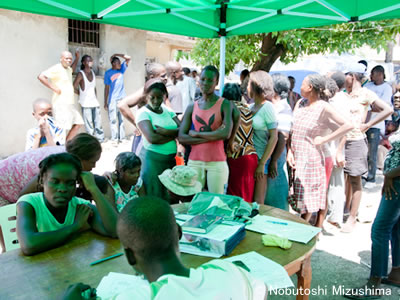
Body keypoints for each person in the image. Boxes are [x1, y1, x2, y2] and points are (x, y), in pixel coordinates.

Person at [61, 196, 267, 300]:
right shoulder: (229, 272)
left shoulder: (133, 297)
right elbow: (261, 289)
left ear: (130, 257)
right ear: (178, 234)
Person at [16, 153, 117, 256]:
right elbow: (29, 245)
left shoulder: (80, 206)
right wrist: (75, 226)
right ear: (42, 180)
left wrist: (93, 189)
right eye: (55, 182)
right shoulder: (29, 203)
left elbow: (115, 231)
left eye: (70, 183)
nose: (62, 189)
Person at [287, 74, 354, 227]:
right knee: (297, 197)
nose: (300, 87)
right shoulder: (301, 103)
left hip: (311, 159)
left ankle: (302, 229)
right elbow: (293, 130)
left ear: (310, 87)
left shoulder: (323, 107)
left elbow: (347, 126)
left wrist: (324, 139)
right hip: (297, 157)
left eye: (303, 84)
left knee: (307, 199)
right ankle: (302, 228)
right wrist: (290, 151)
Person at [345, 127, 400, 299]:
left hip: (397, 182)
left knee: (380, 229)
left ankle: (374, 283)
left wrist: (391, 175)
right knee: (395, 228)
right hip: (395, 180)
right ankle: (396, 273)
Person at [342, 64, 393, 233]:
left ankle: (352, 217)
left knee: (355, 179)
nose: (344, 78)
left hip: (356, 139)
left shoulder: (366, 93)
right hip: (342, 140)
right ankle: (345, 209)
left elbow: (387, 109)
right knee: (345, 178)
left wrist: (369, 124)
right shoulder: (344, 94)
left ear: (353, 76)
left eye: (346, 75)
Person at [179, 65, 233, 194]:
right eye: (203, 79)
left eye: (210, 80)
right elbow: (182, 137)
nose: (205, 83)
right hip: (195, 161)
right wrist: (214, 135)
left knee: (217, 202)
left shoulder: (224, 104)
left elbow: (225, 134)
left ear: (216, 82)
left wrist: (197, 134)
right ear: (198, 80)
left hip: (217, 162)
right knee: (195, 201)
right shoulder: (192, 106)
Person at [17, 133, 106, 201]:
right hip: (6, 187)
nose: (94, 166)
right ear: (80, 159)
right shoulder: (56, 163)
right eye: (92, 162)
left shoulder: (68, 158)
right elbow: (23, 196)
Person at [137, 80, 180, 200]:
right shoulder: (143, 113)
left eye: (159, 97)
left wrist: (166, 132)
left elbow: (182, 129)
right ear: (146, 96)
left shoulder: (168, 111)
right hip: (153, 163)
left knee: (170, 197)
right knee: (154, 197)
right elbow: (152, 138)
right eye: (152, 97)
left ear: (164, 96)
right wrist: (174, 134)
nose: (156, 101)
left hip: (170, 163)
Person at [118, 62, 168, 154]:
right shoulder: (145, 91)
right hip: (145, 137)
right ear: (152, 77)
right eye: (163, 76)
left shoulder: (159, 90)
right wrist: (138, 125)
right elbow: (122, 105)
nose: (166, 78)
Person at [223, 83, 258, 203]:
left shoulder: (227, 108)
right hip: (251, 154)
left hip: (236, 155)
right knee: (246, 196)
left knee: (235, 198)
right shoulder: (247, 108)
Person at [38, 50, 84, 141]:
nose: (69, 60)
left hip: (70, 104)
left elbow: (72, 69)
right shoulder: (56, 68)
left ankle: (66, 145)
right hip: (60, 103)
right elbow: (41, 76)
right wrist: (54, 88)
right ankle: (60, 148)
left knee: (78, 123)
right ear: (61, 59)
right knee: (61, 128)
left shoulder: (68, 69)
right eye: (66, 58)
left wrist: (77, 58)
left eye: (70, 59)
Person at [248, 71, 278, 204]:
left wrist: (262, 164)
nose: (247, 87)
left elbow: (274, 138)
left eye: (249, 84)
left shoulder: (268, 108)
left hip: (260, 160)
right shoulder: (249, 107)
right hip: (248, 159)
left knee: (257, 201)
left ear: (256, 86)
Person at [325, 71, 351, 228]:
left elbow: (345, 126)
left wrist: (339, 151)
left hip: (334, 145)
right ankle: (332, 215)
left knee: (334, 181)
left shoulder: (337, 101)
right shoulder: (340, 99)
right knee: (335, 181)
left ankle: (334, 216)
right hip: (332, 145)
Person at [265, 74, 293, 210]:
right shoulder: (272, 106)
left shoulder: (283, 108)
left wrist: (274, 161)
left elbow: (283, 137)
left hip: (275, 158)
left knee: (276, 198)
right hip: (270, 156)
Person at [364, 65, 393, 188]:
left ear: (380, 74)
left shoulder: (386, 88)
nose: (371, 76)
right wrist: (372, 107)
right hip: (363, 122)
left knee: (372, 152)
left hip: (376, 124)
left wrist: (370, 107)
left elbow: (382, 108)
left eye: (373, 74)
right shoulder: (367, 86)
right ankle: (363, 173)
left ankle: (371, 177)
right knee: (363, 151)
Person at [73, 55, 104, 142]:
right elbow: (73, 87)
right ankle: (91, 141)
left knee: (98, 123)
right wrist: (80, 93)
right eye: (88, 61)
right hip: (85, 103)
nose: (90, 62)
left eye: (91, 60)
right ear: (83, 62)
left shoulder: (93, 73)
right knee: (89, 124)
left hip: (94, 102)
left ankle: (100, 139)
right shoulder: (81, 74)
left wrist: (96, 98)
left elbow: (94, 88)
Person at [104, 53, 131, 142]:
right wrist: (105, 102)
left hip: (122, 99)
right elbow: (106, 88)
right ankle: (114, 139)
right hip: (112, 100)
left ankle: (122, 138)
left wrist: (116, 54)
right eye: (118, 63)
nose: (120, 64)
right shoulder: (108, 73)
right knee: (113, 120)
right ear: (113, 64)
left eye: (120, 63)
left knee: (122, 119)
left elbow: (128, 58)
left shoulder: (122, 70)